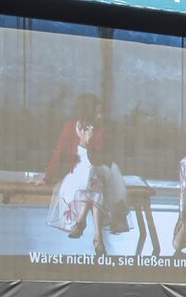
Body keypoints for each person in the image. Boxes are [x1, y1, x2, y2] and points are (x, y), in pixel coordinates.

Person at [32, 94, 130, 254]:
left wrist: (88, 142)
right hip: (78, 174)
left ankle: (81, 221)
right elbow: (59, 153)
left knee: (93, 175)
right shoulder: (70, 127)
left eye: (101, 112)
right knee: (92, 184)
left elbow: (98, 160)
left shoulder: (102, 130)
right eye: (97, 112)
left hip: (102, 170)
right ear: (87, 112)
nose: (100, 115)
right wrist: (46, 177)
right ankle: (98, 239)